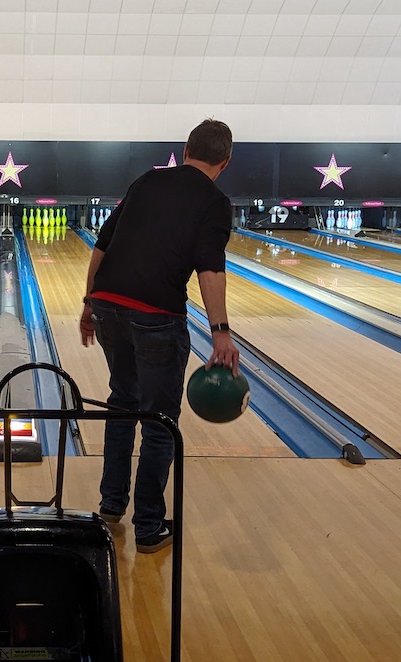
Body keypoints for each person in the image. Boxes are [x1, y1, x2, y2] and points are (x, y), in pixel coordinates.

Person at [80, 119, 240, 554]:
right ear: (224, 162)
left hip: (109, 302)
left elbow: (103, 243)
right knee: (159, 421)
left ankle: (110, 508)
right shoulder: (215, 201)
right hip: (156, 316)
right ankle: (149, 527)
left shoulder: (148, 179)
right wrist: (221, 333)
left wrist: (90, 301)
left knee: (122, 403)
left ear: (184, 148)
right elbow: (210, 267)